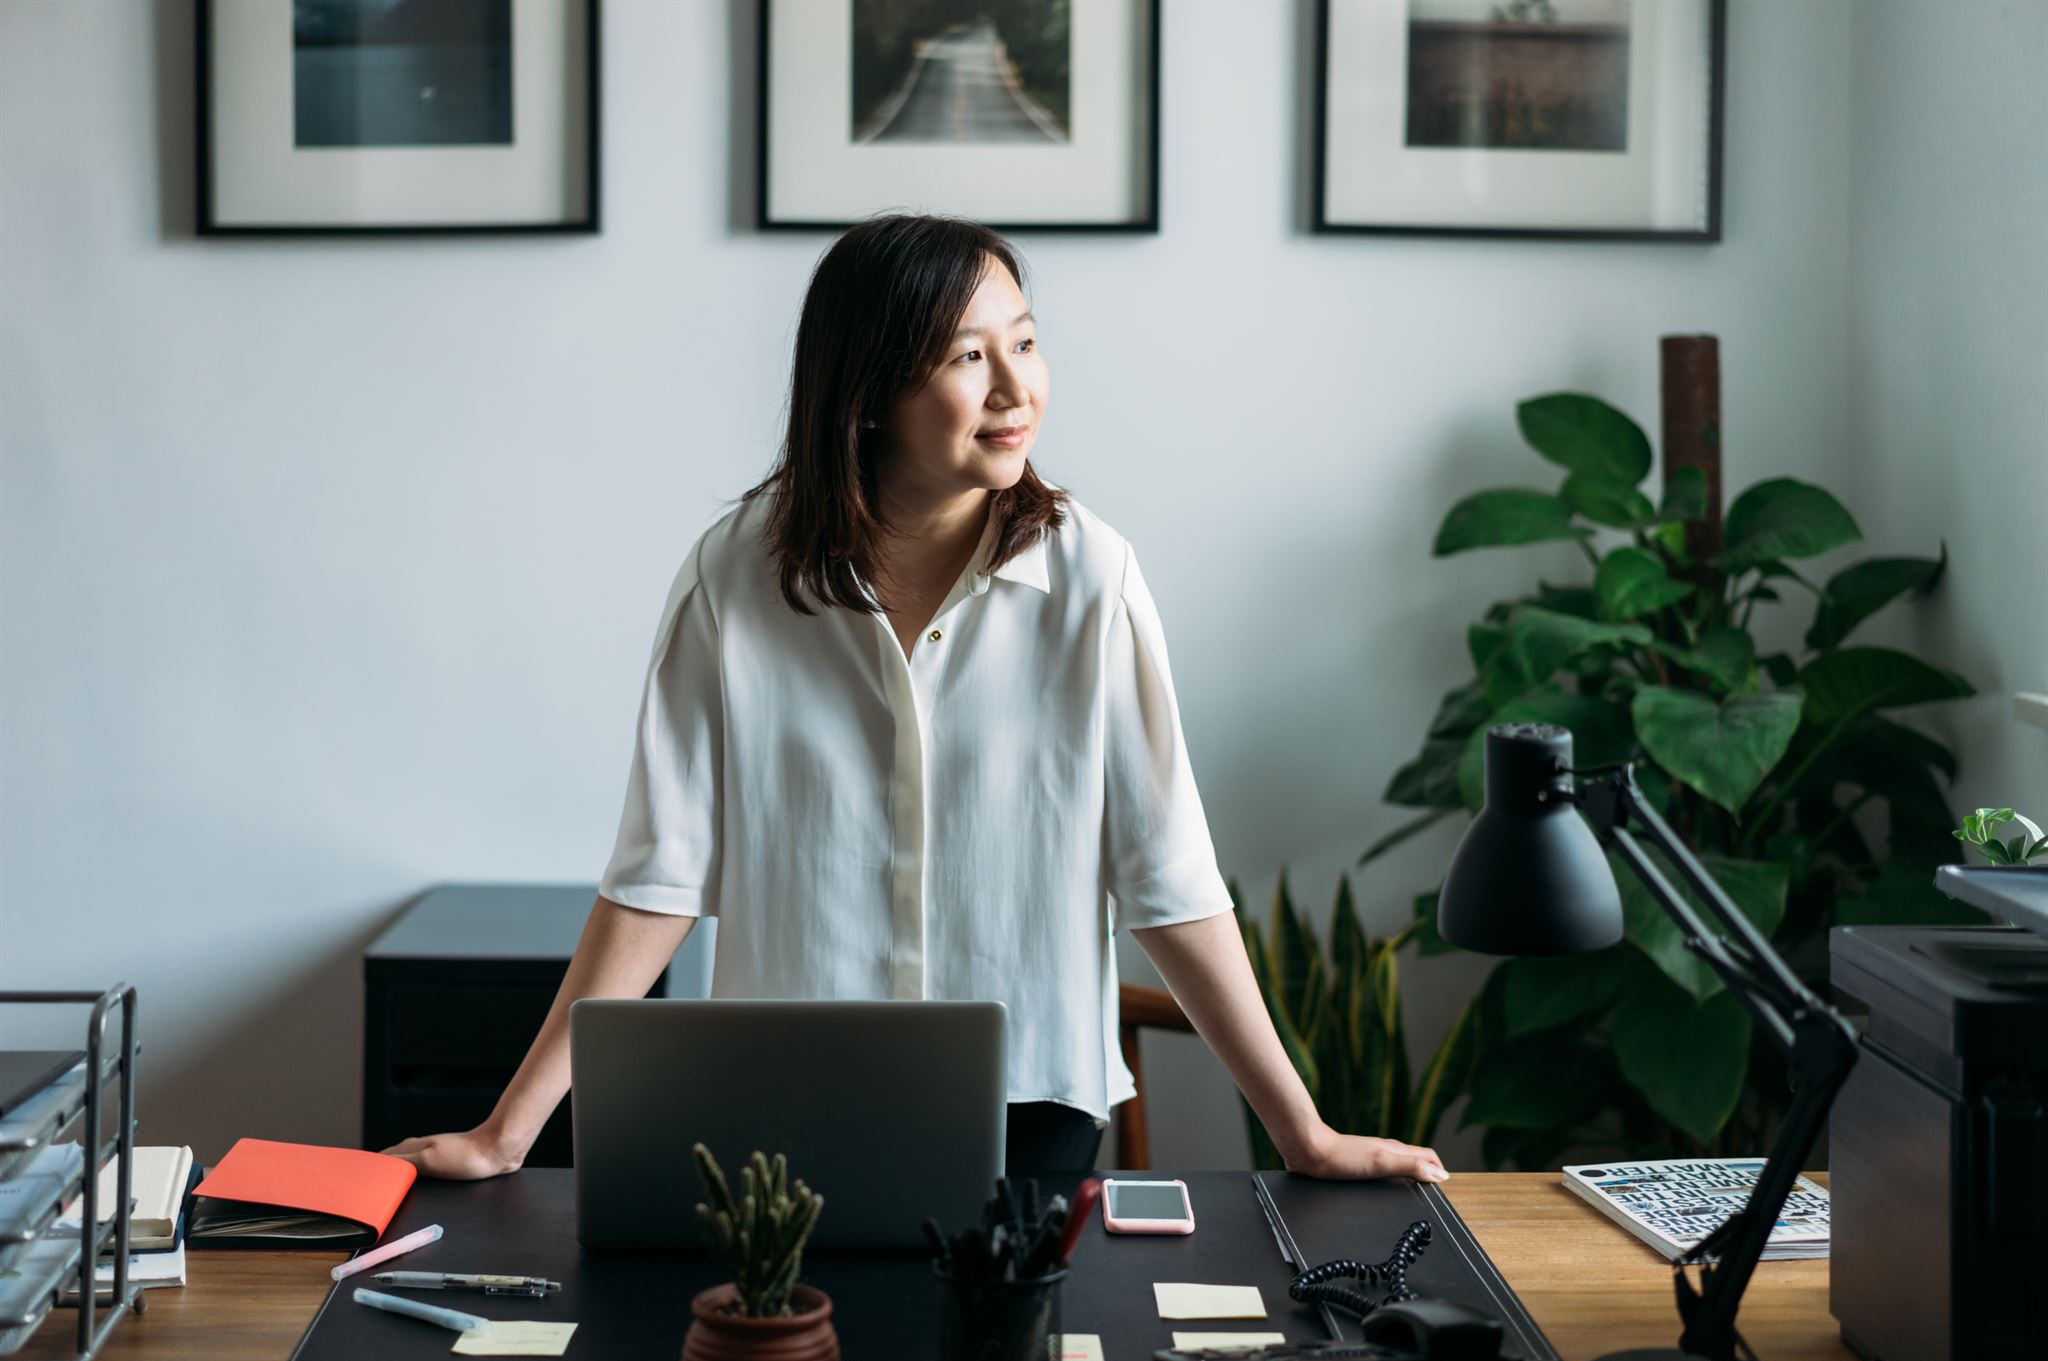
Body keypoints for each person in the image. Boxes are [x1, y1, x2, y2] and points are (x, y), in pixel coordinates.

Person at [382, 214, 1449, 1185]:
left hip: (1027, 1106)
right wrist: (506, 1132)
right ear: (867, 392)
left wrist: (1302, 1132)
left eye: (1024, 342)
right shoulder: (736, 575)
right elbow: (657, 877)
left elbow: (1167, 882)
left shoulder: (1090, 577)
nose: (1013, 388)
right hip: (782, 1101)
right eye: (963, 355)